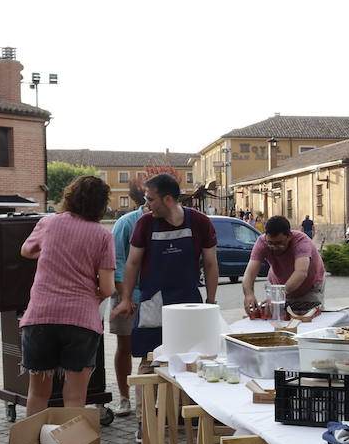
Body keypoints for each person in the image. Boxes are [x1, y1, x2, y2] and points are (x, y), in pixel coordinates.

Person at [18, 175, 117, 416]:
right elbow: (107, 288)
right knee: (74, 398)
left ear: (70, 196)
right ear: (101, 205)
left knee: (38, 393)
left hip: (41, 316)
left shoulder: (49, 223)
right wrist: (91, 294)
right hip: (81, 320)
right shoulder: (102, 235)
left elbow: (26, 251)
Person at [113, 173, 218, 366]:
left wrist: (211, 301)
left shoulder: (199, 222)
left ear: (168, 199)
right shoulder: (144, 224)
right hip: (153, 304)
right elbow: (132, 263)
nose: (147, 204)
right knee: (150, 362)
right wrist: (126, 298)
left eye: (151, 199)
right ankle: (147, 398)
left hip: (188, 304)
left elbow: (211, 263)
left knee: (191, 359)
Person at [108, 191, 149, 416]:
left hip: (152, 295)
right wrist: (127, 296)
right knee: (125, 347)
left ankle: (148, 398)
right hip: (125, 292)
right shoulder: (126, 222)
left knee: (151, 350)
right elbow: (117, 260)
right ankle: (124, 398)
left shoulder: (164, 222)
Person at [243, 216, 325, 314]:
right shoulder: (262, 242)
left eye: (279, 243)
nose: (274, 247)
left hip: (309, 288)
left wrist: (279, 295)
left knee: (308, 318)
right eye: (270, 243)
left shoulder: (301, 241)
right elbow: (250, 273)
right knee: (275, 318)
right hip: (278, 285)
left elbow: (301, 273)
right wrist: (248, 294)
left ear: (289, 236)